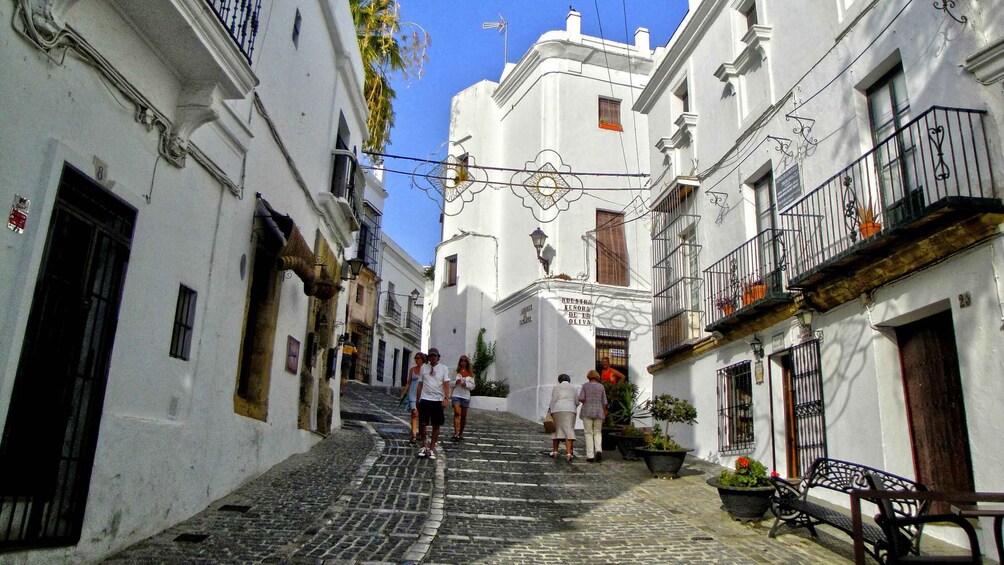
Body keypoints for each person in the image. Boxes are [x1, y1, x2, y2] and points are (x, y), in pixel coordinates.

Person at [415, 347, 450, 460]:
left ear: (438, 357)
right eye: (431, 356)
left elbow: (446, 384)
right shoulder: (424, 368)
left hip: (437, 400)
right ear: (428, 357)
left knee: (436, 424)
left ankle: (432, 448)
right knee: (423, 423)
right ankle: (424, 445)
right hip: (425, 399)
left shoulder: (443, 368)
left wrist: (445, 398)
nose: (433, 357)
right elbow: (420, 384)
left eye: (435, 355)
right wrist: (418, 398)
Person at [547, 373, 580, 461]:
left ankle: (555, 452)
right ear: (569, 380)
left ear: (559, 380)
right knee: (569, 430)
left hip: (558, 409)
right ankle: (569, 453)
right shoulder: (573, 387)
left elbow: (553, 399)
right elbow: (577, 401)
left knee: (556, 430)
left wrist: (550, 409)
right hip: (570, 410)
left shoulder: (556, 387)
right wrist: (574, 405)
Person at [578, 369, 608, 462]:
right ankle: (598, 450)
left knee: (588, 433)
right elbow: (605, 402)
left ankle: (590, 455)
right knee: (598, 432)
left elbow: (581, 398)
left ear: (589, 377)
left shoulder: (585, 386)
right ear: (597, 377)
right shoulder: (601, 387)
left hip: (587, 411)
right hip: (599, 411)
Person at [399, 352, 426, 443]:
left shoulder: (425, 370)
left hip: (422, 393)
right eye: (415, 358)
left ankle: (420, 433)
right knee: (414, 413)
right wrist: (403, 393)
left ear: (422, 359)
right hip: (412, 393)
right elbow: (408, 382)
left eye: (418, 358)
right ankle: (414, 435)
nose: (416, 359)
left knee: (421, 414)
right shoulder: (412, 370)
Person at [450, 355, 475, 441]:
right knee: (457, 413)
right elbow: (450, 383)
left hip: (465, 396)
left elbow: (473, 386)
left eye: (464, 360)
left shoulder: (470, 373)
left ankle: (461, 433)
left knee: (463, 416)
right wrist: (455, 382)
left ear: (467, 362)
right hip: (456, 395)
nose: (463, 362)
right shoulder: (455, 372)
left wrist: (466, 385)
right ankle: (456, 432)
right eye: (461, 360)